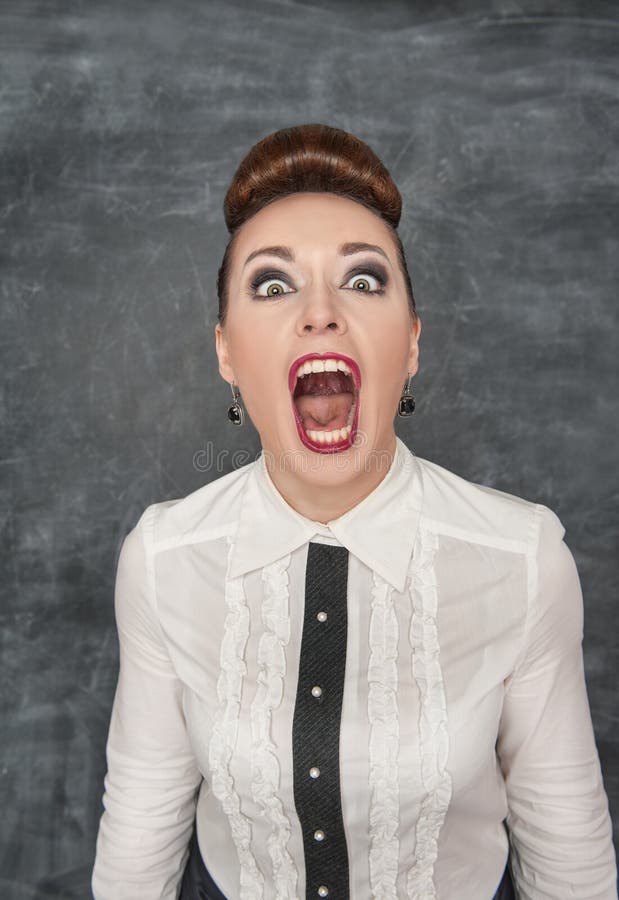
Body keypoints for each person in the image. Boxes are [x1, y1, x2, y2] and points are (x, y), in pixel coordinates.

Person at [92, 124, 617, 900]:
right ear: (225, 353)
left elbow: (566, 852)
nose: (320, 313)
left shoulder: (523, 557)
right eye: (272, 285)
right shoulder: (164, 559)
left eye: (363, 280)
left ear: (408, 344)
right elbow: (139, 833)